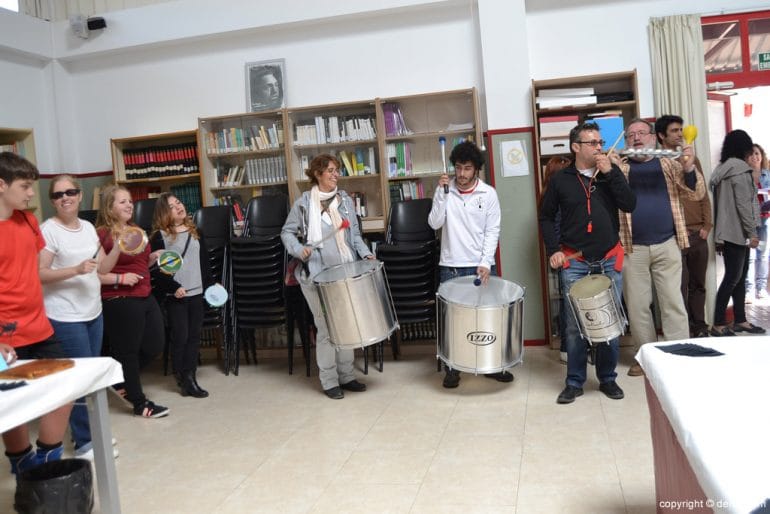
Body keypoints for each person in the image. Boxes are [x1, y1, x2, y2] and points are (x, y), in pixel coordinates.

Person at [539, 122, 636, 404]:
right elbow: (546, 216)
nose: (598, 147)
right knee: (574, 326)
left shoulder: (610, 174)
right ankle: (574, 382)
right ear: (576, 147)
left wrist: (611, 173)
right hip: (576, 261)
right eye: (592, 143)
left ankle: (607, 379)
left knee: (609, 322)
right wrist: (553, 250)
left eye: (600, 142)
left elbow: (630, 204)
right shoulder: (561, 180)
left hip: (608, 258)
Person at [0, 152, 72, 476]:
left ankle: (46, 461)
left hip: (40, 327)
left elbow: (32, 270)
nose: (31, 193)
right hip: (5, 334)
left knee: (65, 387)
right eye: (25, 186)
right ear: (1, 185)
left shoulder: (28, 221)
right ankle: (21, 464)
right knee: (11, 402)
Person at [38, 174, 119, 460]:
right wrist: (75, 269)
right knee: (79, 380)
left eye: (70, 192)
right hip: (65, 316)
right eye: (58, 195)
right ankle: (85, 441)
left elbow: (102, 268)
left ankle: (92, 433)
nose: (65, 198)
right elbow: (40, 274)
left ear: (80, 195)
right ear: (52, 201)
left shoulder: (88, 227)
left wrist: (119, 246)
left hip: (93, 311)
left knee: (90, 377)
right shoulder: (48, 230)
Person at [281, 154, 373, 399]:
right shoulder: (303, 204)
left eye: (337, 170)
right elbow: (287, 233)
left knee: (346, 325)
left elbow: (354, 236)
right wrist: (298, 249)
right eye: (331, 170)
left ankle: (347, 376)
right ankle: (329, 380)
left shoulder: (345, 201)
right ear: (318, 174)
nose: (336, 175)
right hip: (316, 277)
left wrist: (366, 254)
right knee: (326, 329)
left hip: (345, 274)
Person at [618, 119, 705, 377]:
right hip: (632, 247)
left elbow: (695, 193)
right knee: (637, 307)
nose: (636, 138)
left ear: (653, 138)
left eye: (642, 133)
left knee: (672, 302)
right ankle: (646, 359)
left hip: (668, 243)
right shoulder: (620, 168)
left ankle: (678, 355)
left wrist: (689, 168)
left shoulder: (669, 163)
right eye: (631, 135)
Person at [428, 140, 508, 388]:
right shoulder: (444, 190)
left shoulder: (488, 193)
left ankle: (491, 365)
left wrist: (485, 262)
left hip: (480, 265)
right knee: (452, 320)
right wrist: (442, 196)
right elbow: (434, 223)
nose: (461, 174)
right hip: (450, 265)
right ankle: (453, 368)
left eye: (467, 168)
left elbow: (492, 230)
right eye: (458, 168)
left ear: (476, 169)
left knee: (487, 317)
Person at [96, 185, 170, 417]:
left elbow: (138, 263)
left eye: (130, 201)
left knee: (156, 345)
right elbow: (97, 272)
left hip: (145, 293)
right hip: (120, 298)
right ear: (109, 207)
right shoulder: (101, 234)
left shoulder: (136, 230)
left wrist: (152, 258)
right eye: (123, 202)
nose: (130, 205)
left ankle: (119, 379)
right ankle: (140, 403)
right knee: (128, 351)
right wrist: (120, 278)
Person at [654, 115, 712, 338]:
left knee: (699, 284)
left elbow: (703, 194)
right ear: (661, 136)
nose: (680, 134)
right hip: (675, 237)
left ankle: (700, 327)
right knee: (677, 287)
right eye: (674, 130)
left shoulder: (691, 159)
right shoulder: (657, 163)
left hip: (698, 233)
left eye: (681, 130)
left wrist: (707, 224)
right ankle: (683, 330)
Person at [150, 192, 213, 398]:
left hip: (197, 292)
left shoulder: (196, 231)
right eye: (171, 206)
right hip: (176, 294)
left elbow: (204, 263)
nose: (178, 207)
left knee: (194, 336)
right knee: (181, 336)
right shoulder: (160, 236)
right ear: (164, 213)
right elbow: (158, 270)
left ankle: (190, 376)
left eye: (178, 202)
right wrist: (174, 286)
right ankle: (182, 376)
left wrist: (212, 285)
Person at [710, 130, 765, 336]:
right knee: (733, 277)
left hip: (726, 230)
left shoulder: (723, 168)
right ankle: (719, 322)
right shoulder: (740, 170)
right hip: (738, 231)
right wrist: (752, 233)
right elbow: (744, 204)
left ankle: (740, 319)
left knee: (738, 277)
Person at [541, 156, 572, 364]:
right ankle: (567, 347)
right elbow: (555, 228)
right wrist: (560, 250)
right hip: (565, 255)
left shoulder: (546, 196)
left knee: (567, 301)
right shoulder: (554, 198)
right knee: (569, 303)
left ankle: (568, 347)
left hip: (565, 254)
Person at [745, 143, 770, 301]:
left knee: (762, 253)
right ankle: (748, 289)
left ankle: (760, 288)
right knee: (749, 255)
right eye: (752, 154)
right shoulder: (744, 176)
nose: (755, 156)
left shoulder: (767, 174)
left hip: (764, 218)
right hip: (749, 219)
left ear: (762, 156)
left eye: (757, 153)